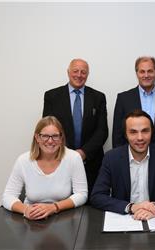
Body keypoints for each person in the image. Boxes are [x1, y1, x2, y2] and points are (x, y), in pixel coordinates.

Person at [91, 109, 155, 221]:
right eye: (133, 132)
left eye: (145, 131)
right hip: (124, 219)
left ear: (152, 132)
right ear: (126, 135)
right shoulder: (112, 158)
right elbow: (97, 196)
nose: (140, 138)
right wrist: (132, 207)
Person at [43, 58, 108, 196]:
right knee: (60, 203)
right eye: (75, 71)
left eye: (83, 72)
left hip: (91, 163)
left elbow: (102, 131)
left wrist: (83, 153)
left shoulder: (98, 97)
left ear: (87, 74)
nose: (79, 75)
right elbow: (47, 129)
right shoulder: (52, 96)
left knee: (92, 207)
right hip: (59, 160)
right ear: (68, 72)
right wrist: (67, 154)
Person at [2, 116, 88, 220]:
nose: (50, 141)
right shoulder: (23, 160)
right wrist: (26, 210)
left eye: (55, 136)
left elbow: (82, 194)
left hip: (63, 218)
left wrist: (54, 207)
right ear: (37, 138)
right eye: (45, 136)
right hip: (32, 219)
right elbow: (8, 196)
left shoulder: (74, 158)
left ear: (61, 138)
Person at [112, 56, 155, 172]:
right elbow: (118, 136)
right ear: (137, 73)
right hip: (132, 160)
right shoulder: (123, 98)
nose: (146, 75)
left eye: (150, 71)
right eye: (142, 71)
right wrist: (120, 164)